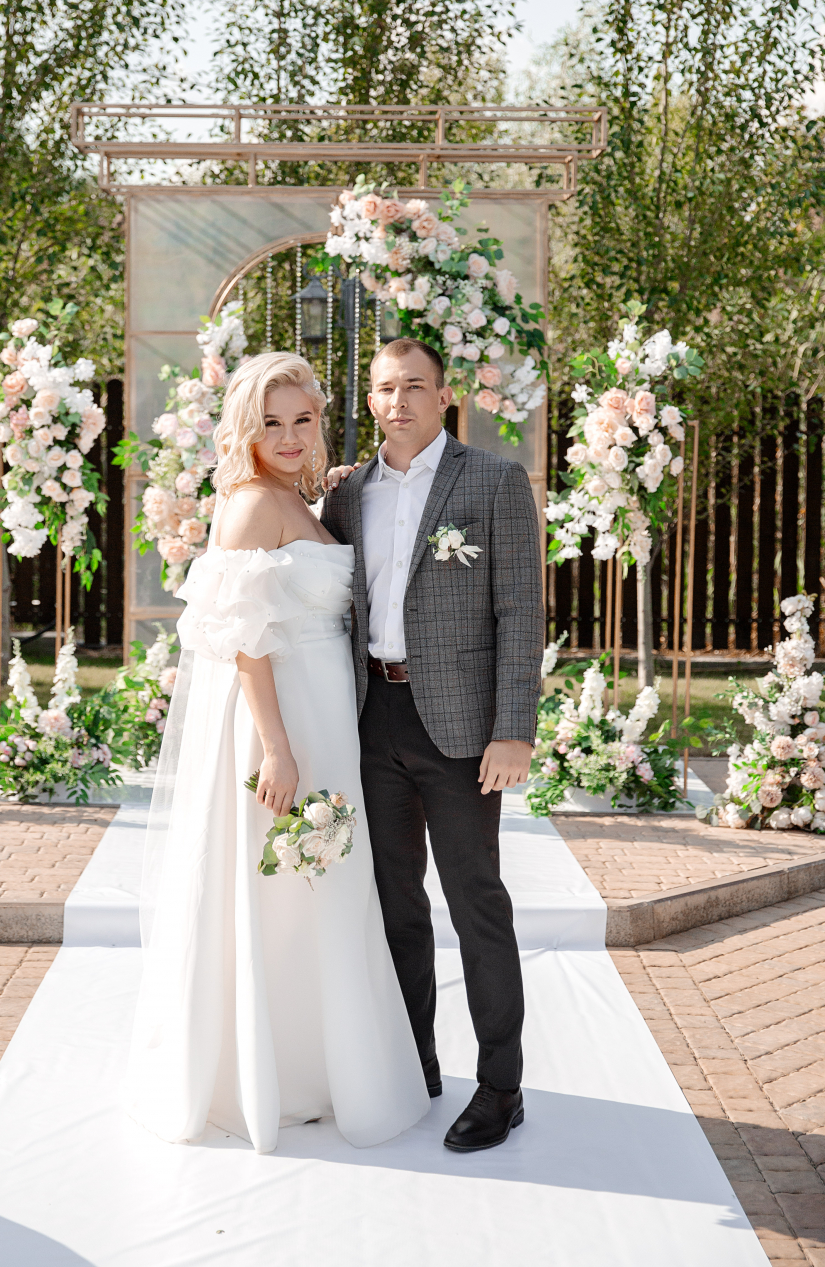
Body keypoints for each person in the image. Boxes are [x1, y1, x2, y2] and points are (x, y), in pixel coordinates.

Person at [126, 351, 430, 1155]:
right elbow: (244, 640)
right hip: (284, 723)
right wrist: (275, 748)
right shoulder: (250, 506)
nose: (290, 436)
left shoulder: (297, 495)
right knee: (280, 887)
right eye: (271, 423)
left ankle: (320, 1065)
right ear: (245, 429)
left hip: (326, 718)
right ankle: (271, 1073)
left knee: (315, 886)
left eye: (302, 419)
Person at [321, 337, 544, 1153]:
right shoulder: (348, 494)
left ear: (445, 395)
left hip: (458, 728)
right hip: (372, 716)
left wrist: (512, 728)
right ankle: (413, 1062)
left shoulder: (493, 480)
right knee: (394, 905)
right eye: (386, 387)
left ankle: (501, 1085)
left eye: (416, 385)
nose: (400, 400)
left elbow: (522, 609)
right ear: (370, 401)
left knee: (475, 900)